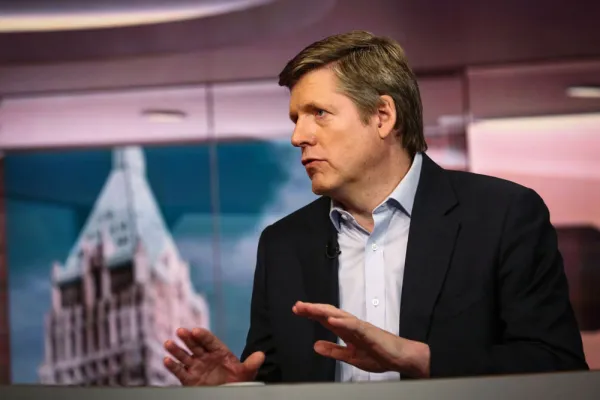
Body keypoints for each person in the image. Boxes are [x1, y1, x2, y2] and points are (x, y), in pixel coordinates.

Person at [162, 30, 589, 385]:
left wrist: (416, 358)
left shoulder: (503, 215)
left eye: (318, 113)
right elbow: (278, 379)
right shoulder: (282, 244)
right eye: (295, 119)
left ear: (383, 116)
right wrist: (239, 390)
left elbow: (558, 367)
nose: (298, 136)